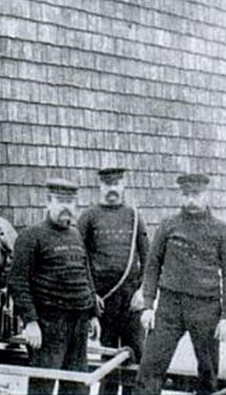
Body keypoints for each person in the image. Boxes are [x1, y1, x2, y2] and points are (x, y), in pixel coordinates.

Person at [135, 173, 226, 395]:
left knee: (208, 373)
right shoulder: (168, 226)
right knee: (150, 368)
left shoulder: (222, 231)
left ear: (206, 195)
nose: (191, 199)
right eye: (187, 194)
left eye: (196, 194)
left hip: (206, 308)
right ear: (181, 195)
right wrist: (147, 305)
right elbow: (152, 266)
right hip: (169, 307)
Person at [8, 178, 101, 395]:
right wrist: (30, 322)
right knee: (43, 387)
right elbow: (17, 281)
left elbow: (84, 274)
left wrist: (93, 314)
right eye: (60, 201)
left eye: (70, 202)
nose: (66, 207)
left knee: (77, 386)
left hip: (78, 324)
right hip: (48, 325)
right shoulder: (31, 236)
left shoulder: (76, 235)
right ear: (48, 202)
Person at [77, 167, 149, 395]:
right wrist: (90, 295)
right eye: (107, 185)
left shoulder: (134, 216)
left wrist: (143, 292)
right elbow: (80, 259)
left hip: (131, 300)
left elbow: (148, 258)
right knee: (108, 357)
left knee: (136, 354)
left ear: (123, 186)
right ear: (100, 187)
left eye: (116, 184)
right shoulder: (89, 217)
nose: (112, 189)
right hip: (103, 300)